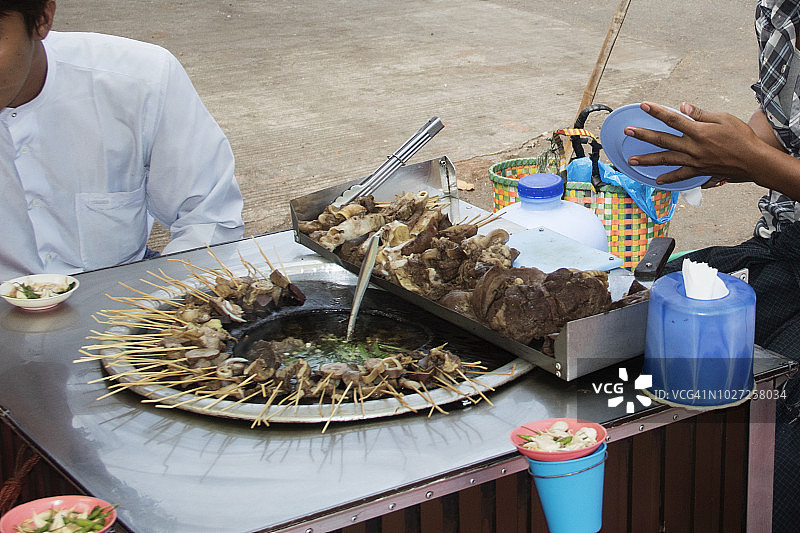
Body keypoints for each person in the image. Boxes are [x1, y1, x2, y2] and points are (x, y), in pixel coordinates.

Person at [621, 2, 800, 529]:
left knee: (782, 460)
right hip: (788, 248)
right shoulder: (779, 8)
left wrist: (754, 162)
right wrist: (719, 151)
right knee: (711, 418)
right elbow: (780, 115)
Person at [0, 0, 245, 280]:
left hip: (124, 297)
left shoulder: (141, 81)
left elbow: (209, 215)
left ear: (42, 17)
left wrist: (166, 307)